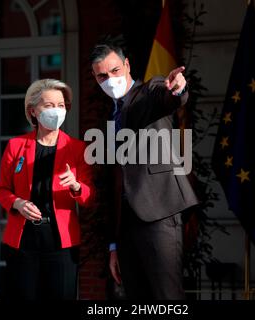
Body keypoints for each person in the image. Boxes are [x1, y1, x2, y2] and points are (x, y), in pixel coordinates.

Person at [90, 44, 199, 299]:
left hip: (158, 213)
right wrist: (113, 245)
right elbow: (115, 180)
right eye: (102, 76)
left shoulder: (148, 91)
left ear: (127, 65)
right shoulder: (111, 116)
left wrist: (177, 88)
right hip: (126, 224)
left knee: (167, 297)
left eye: (115, 70)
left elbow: (168, 96)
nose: (110, 80)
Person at [0, 79, 94, 300]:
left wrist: (76, 186)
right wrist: (17, 203)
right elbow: (2, 190)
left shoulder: (78, 149)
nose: (57, 110)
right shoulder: (16, 145)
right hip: (22, 242)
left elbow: (89, 197)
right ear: (33, 111)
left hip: (61, 243)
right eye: (49, 105)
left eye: (61, 105)